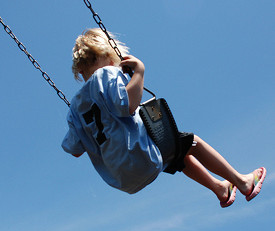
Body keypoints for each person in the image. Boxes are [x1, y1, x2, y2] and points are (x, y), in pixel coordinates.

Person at [62, 28, 266, 208]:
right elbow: (128, 106)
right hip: (141, 155)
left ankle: (220, 189)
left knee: (179, 151)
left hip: (121, 178)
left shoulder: (74, 107)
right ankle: (242, 182)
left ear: (80, 72)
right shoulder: (106, 74)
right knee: (193, 142)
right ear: (109, 56)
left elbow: (75, 151)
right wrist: (139, 72)